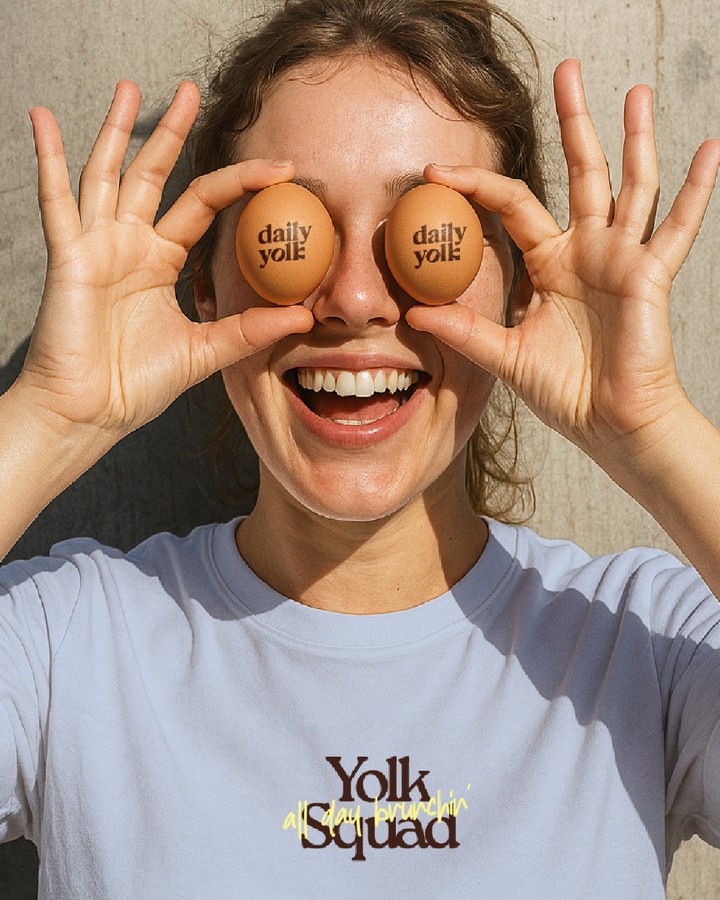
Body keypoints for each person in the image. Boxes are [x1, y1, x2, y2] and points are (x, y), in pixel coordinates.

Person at [1, 0, 719, 896]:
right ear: (207, 287)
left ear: (521, 289)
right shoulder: (69, 644)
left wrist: (650, 428)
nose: (353, 298)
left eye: (426, 229)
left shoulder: (644, 646)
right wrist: (53, 414)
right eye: (293, 226)